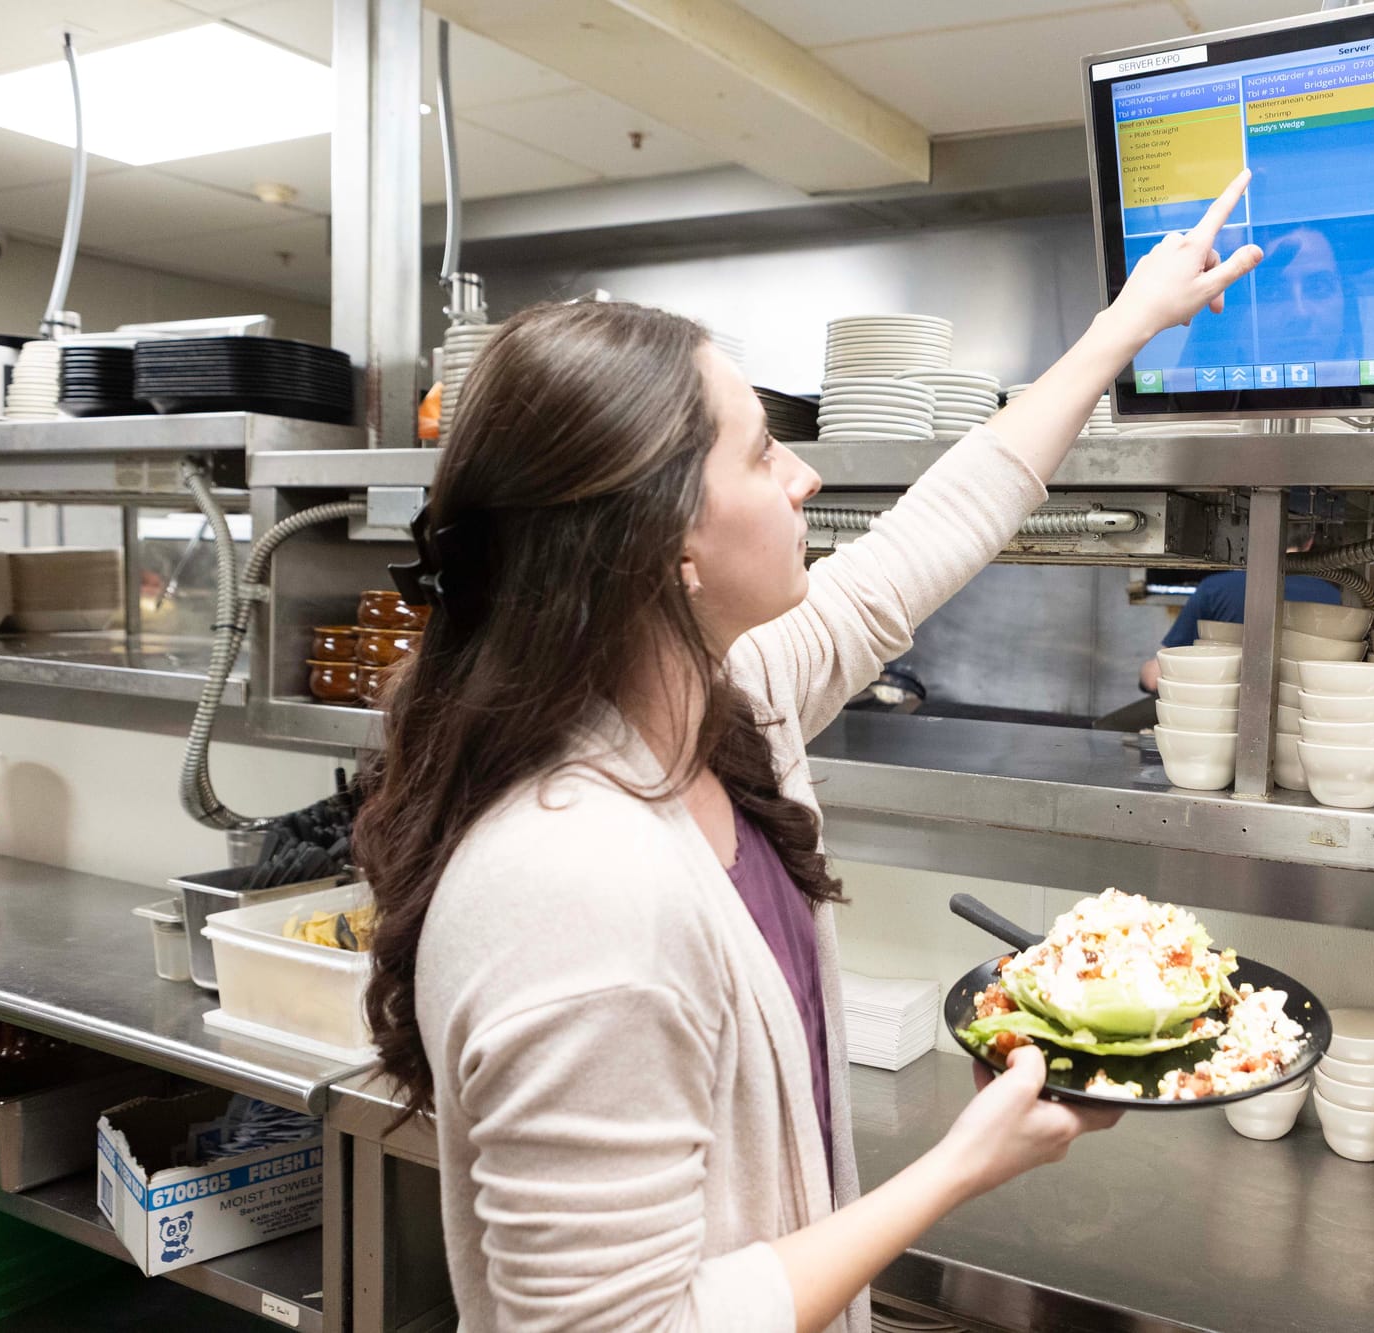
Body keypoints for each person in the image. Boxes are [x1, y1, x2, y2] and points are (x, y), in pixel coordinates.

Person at [352, 172, 1263, 1332]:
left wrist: (1119, 330)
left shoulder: (722, 706)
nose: (806, 478)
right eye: (761, 454)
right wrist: (955, 1168)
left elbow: (913, 548)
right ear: (662, 541)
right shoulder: (574, 885)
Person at [1137, 570, 1343, 693]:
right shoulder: (1336, 597)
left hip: (1219, 732)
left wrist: (1145, 672)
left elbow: (1154, 678)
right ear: (1309, 542)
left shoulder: (1214, 588)